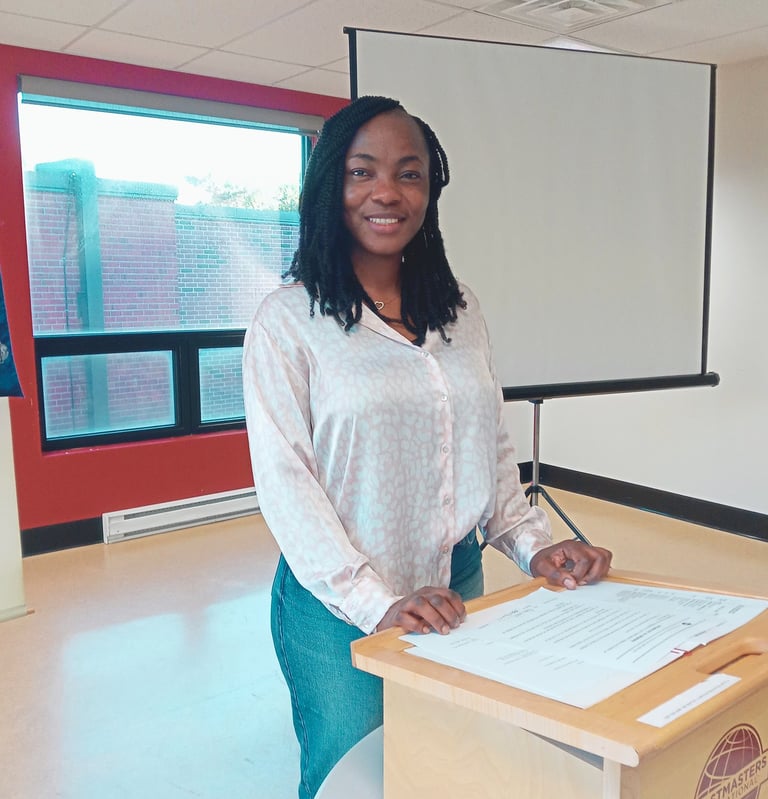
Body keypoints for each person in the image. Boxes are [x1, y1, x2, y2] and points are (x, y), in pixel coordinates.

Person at [242, 95, 612, 799]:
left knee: (439, 765)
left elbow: (488, 446)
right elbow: (287, 485)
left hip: (451, 586)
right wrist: (377, 602)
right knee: (353, 780)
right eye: (362, 172)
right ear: (330, 186)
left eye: (409, 173)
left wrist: (534, 545)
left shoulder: (461, 309)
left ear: (429, 192)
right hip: (337, 607)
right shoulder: (288, 323)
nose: (387, 191)